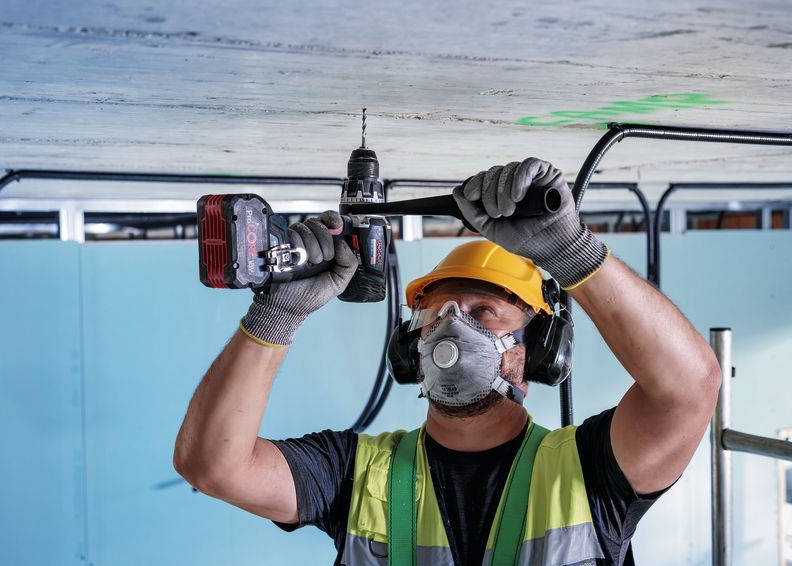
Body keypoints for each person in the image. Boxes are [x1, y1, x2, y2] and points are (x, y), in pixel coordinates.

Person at [174, 158, 721, 565]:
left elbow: (691, 387)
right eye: (436, 314)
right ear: (411, 347)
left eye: (485, 312)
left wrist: (569, 251)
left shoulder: (589, 472)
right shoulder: (355, 475)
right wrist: (277, 315)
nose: (453, 328)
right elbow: (212, 465)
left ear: (538, 346)